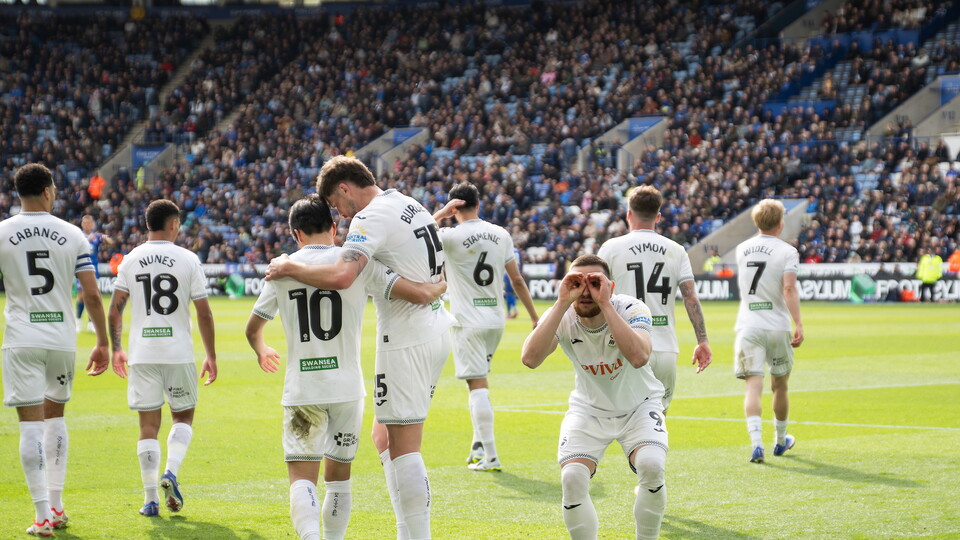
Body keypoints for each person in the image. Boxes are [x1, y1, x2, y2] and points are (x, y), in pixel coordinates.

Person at [267, 156, 454, 540]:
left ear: (345, 189)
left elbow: (342, 274)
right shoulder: (406, 202)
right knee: (383, 435)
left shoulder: (368, 218)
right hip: (435, 325)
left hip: (406, 335)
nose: (340, 214)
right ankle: (408, 528)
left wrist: (290, 268)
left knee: (404, 444)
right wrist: (431, 289)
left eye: (337, 204)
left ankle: (416, 535)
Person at [521, 254, 666, 540]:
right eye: (576, 282)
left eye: (595, 283)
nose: (585, 290)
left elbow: (639, 356)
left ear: (610, 285)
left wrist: (605, 304)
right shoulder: (562, 314)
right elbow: (530, 358)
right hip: (588, 410)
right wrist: (562, 302)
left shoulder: (632, 308)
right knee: (572, 477)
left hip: (639, 405)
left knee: (651, 464)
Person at [0, 163, 110, 537]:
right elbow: (91, 294)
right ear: (48, 191)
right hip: (61, 340)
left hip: (21, 338)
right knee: (56, 418)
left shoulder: (2, 233)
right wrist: (103, 342)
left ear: (20, 194)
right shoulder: (72, 233)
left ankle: (43, 515)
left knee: (29, 426)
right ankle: (58, 504)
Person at [108, 199, 217, 517]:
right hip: (178, 352)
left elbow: (115, 310)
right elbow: (204, 313)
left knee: (148, 427)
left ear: (147, 224)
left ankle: (151, 498)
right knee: (182, 419)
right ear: (173, 224)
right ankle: (170, 471)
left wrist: (117, 349)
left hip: (142, 354)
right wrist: (210, 355)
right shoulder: (188, 259)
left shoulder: (130, 259)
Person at [432, 183, 539, 471]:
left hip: (468, 321)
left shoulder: (449, 235)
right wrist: (533, 316)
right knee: (480, 385)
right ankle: (478, 446)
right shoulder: (500, 233)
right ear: (478, 203)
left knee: (476, 386)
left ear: (455, 207)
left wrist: (440, 214)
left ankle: (491, 456)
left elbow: (419, 236)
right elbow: (516, 280)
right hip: (495, 320)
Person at [596, 185, 711, 412]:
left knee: (625, 422)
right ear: (658, 217)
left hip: (626, 346)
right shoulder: (676, 250)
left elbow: (593, 293)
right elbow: (690, 298)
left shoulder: (611, 248)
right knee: (657, 424)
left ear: (629, 214)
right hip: (665, 348)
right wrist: (702, 341)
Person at [734, 199, 803, 463]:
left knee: (753, 386)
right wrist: (799, 323)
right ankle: (780, 439)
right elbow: (788, 289)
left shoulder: (742, 249)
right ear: (780, 223)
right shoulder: (787, 251)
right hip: (776, 325)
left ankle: (756, 444)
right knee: (780, 385)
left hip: (749, 325)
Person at [75, 214, 114, 333]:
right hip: (80, 269)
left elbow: (110, 243)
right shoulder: (78, 236)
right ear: (82, 224)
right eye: (84, 223)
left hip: (93, 270)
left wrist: (106, 239)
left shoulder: (96, 236)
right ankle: (78, 321)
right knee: (81, 295)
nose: (86, 225)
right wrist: (87, 240)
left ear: (92, 224)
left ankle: (91, 323)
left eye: (89, 223)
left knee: (93, 295)